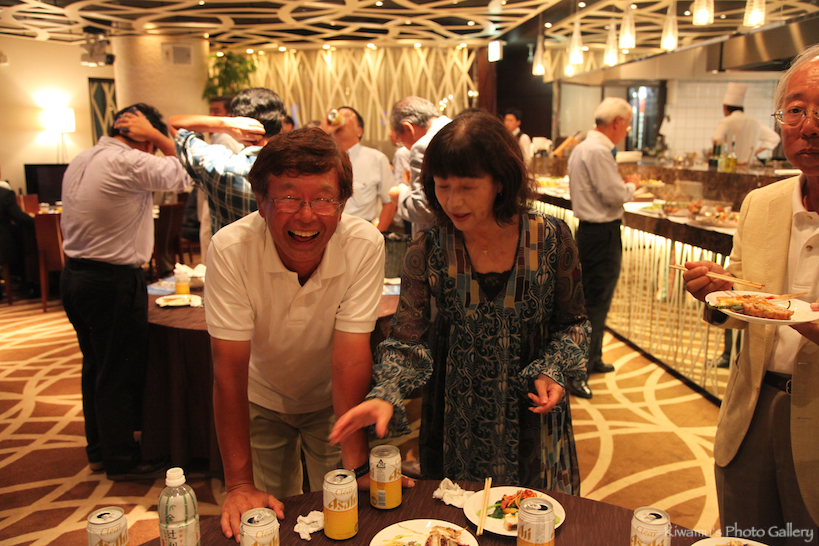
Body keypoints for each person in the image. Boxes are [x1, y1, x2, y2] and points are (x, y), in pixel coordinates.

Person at [330, 111, 589, 491]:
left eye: (467, 187)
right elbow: (406, 338)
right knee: (456, 511)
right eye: (442, 186)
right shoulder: (429, 247)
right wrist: (387, 391)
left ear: (501, 181)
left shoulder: (550, 237)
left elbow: (574, 323)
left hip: (532, 408)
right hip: (455, 414)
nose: (453, 201)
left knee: (532, 513)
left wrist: (552, 369)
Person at [206, 128, 409, 540]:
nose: (306, 215)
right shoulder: (231, 249)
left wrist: (357, 466)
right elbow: (229, 370)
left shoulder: (363, 244)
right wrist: (239, 485)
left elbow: (350, 356)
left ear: (343, 203)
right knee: (269, 516)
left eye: (323, 199)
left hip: (332, 401)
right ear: (261, 201)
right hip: (262, 395)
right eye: (287, 197)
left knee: (342, 510)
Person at [681, 45, 819, 546]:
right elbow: (745, 301)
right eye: (796, 110)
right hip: (752, 409)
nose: (809, 126)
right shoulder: (761, 203)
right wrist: (719, 293)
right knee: (744, 535)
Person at [60, 104, 191, 479]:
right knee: (117, 371)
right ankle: (122, 459)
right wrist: (159, 136)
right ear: (140, 133)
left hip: (74, 277)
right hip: (110, 282)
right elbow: (186, 173)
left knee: (96, 366)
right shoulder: (127, 162)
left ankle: (100, 450)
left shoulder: (82, 158)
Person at [566, 97, 643, 399]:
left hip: (589, 232)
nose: (626, 130)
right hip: (601, 234)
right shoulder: (598, 150)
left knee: (593, 300)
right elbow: (614, 195)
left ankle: (593, 358)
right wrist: (632, 185)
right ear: (617, 122)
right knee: (594, 303)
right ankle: (579, 371)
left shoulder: (583, 147)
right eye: (627, 124)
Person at [170, 87, 286, 235]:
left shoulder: (220, 165)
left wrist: (225, 125)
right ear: (281, 123)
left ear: (237, 121)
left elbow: (174, 124)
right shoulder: (295, 168)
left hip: (230, 250)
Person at [324, 106, 396, 230]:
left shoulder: (376, 158)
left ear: (359, 131)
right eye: (338, 115)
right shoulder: (322, 158)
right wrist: (324, 130)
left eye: (348, 115)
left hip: (361, 230)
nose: (341, 119)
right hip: (325, 230)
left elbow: (389, 202)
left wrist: (378, 234)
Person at [387, 96, 451, 234]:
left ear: (408, 128)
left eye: (400, 140)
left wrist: (400, 196)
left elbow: (423, 209)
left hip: (444, 235)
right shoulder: (456, 129)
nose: (404, 147)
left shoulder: (423, 146)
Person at [712, 82, 781, 164]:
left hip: (729, 165)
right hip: (748, 166)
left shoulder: (727, 121)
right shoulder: (755, 122)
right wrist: (754, 153)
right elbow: (774, 138)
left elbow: (716, 139)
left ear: (725, 107)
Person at [0, 180, 34, 296]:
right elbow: (19, 217)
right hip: (3, 247)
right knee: (24, 245)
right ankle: (27, 285)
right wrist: (38, 222)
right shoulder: (4, 194)